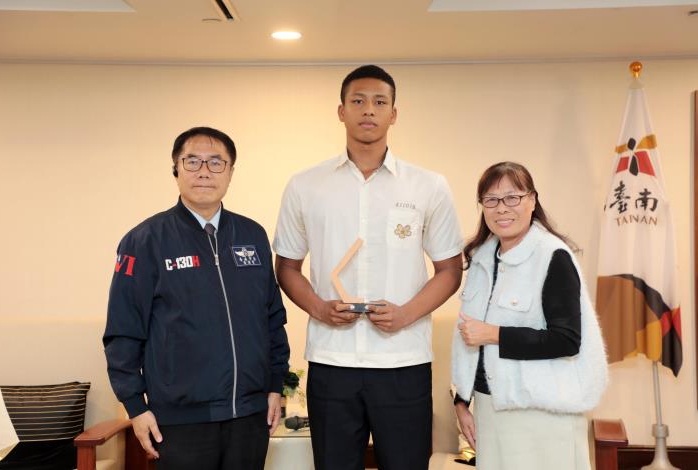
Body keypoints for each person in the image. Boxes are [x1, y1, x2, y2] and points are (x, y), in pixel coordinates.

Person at [273, 65, 464, 470]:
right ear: (341, 111)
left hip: (403, 361)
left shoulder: (428, 185)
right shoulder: (305, 184)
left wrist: (406, 314)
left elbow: (450, 269)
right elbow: (287, 266)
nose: (368, 110)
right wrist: (319, 308)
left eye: (380, 102)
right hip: (332, 360)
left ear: (394, 114)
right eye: (358, 101)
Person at [103, 127, 290, 470]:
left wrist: (275, 386)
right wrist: (136, 407)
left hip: (250, 415)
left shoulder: (252, 235)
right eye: (192, 161)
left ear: (231, 172)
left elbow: (272, 318)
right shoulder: (145, 241)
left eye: (216, 162)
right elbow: (123, 330)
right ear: (175, 169)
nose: (204, 171)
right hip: (179, 421)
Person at [451, 161, 608, 470]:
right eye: (491, 200)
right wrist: (461, 401)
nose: (502, 208)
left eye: (513, 197)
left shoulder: (553, 255)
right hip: (489, 409)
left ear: (532, 200)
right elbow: (467, 339)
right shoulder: (481, 259)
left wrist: (495, 334)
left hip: (541, 414)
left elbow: (566, 340)